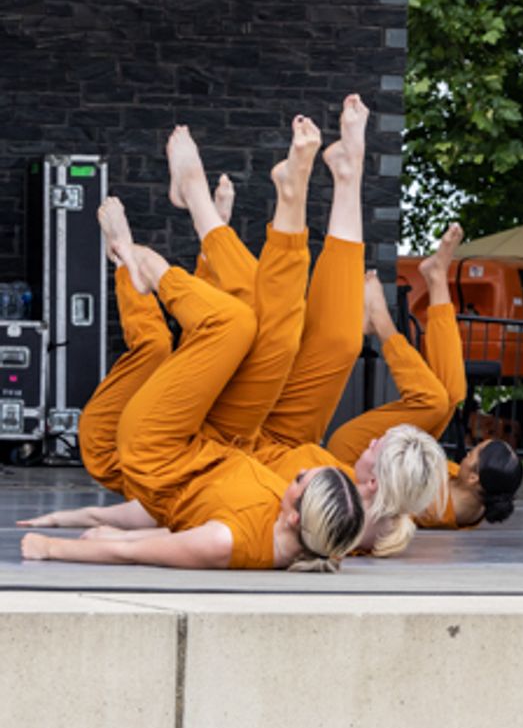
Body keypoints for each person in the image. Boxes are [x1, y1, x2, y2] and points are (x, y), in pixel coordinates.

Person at [20, 232, 365, 570]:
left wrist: (49, 548)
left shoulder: (226, 541)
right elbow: (174, 524)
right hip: (196, 443)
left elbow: (141, 551)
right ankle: (175, 254)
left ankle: (143, 265)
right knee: (254, 328)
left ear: (294, 516)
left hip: (154, 450)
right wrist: (85, 523)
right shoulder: (307, 532)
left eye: (301, 479)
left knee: (225, 324)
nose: (297, 471)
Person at [325, 224, 523, 530]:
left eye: (472, 453)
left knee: (432, 402)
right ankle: (436, 276)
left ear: (473, 477)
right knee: (451, 395)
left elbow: (380, 499)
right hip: (399, 455)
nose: (465, 453)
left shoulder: (438, 508)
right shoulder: (473, 494)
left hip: (353, 455)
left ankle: (381, 321)